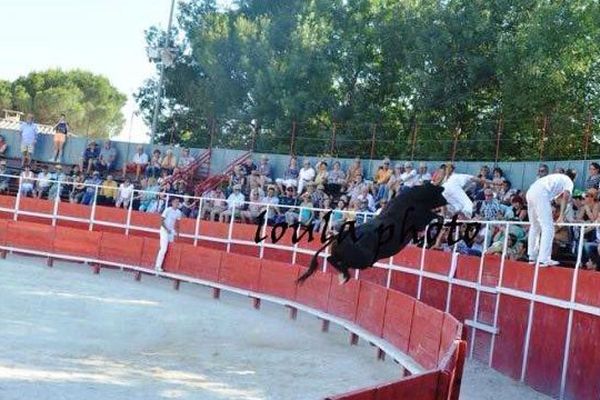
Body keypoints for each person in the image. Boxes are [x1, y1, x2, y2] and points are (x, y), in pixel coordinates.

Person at [526, 169, 576, 267]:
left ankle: (532, 256)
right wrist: (561, 215)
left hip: (531, 192)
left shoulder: (556, 178)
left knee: (535, 226)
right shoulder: (568, 181)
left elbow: (557, 199)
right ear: (574, 178)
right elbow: (565, 197)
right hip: (541, 194)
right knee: (548, 227)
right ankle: (544, 259)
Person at [155, 197, 182, 272]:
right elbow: (161, 221)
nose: (177, 204)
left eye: (178, 202)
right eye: (176, 202)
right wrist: (167, 230)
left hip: (171, 231)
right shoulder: (167, 210)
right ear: (172, 203)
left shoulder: (179, 212)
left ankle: (166, 266)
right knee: (163, 248)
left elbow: (177, 224)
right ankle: (157, 266)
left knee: (170, 248)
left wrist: (178, 233)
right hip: (164, 230)